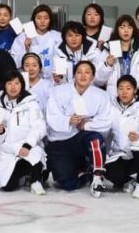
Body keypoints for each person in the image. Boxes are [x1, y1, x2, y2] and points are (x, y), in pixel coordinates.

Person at [45, 61, 111, 196]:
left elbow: (106, 121)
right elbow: (51, 117)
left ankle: (98, 176)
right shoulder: (58, 91)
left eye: (87, 72)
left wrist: (86, 125)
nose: (83, 75)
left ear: (92, 77)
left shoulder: (102, 95)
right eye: (79, 72)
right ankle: (86, 170)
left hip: (82, 138)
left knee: (95, 138)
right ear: (74, 74)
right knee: (68, 184)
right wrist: (68, 120)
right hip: (61, 141)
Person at [0, 71, 46, 195]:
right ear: (4, 85)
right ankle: (22, 172)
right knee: (7, 186)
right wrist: (0, 131)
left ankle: (36, 179)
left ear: (22, 85)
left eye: (16, 83)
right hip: (8, 151)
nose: (13, 87)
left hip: (28, 147)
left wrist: (27, 145)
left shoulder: (31, 104)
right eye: (9, 83)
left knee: (35, 157)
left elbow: (39, 127)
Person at [105, 75, 139, 199]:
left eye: (128, 88)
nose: (124, 92)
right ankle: (130, 180)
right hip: (121, 154)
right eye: (121, 88)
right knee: (109, 171)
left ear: (134, 90)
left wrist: (138, 139)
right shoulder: (111, 107)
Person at [95, 15, 139, 97]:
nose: (126, 30)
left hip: (136, 98)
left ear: (133, 30)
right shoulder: (109, 48)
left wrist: (135, 82)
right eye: (122, 27)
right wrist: (107, 65)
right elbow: (98, 80)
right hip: (114, 98)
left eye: (130, 27)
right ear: (117, 29)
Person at [10, 4, 62, 80]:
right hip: (28, 82)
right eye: (39, 18)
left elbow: (62, 57)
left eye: (46, 18)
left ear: (50, 20)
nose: (42, 21)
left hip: (52, 81)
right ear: (34, 19)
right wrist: (26, 49)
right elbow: (13, 62)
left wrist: (60, 73)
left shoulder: (57, 36)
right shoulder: (23, 37)